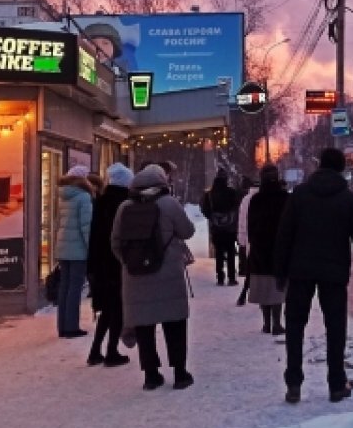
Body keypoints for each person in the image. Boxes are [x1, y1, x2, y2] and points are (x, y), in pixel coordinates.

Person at [275, 147, 353, 404]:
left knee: (295, 326)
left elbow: (284, 236)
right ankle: (336, 384)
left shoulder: (299, 195)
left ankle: (294, 384)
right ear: (341, 168)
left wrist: (280, 271)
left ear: (319, 166)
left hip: (300, 271)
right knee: (336, 328)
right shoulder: (349, 200)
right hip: (334, 272)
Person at [112, 163, 196, 390]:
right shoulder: (169, 204)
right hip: (168, 275)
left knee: (144, 325)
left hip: (136, 276)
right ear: (162, 181)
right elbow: (188, 231)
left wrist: (131, 262)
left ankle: (151, 375)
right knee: (175, 323)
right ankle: (180, 373)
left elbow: (116, 243)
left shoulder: (125, 207)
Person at [86, 163, 133, 367]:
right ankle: (112, 350)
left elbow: (94, 235)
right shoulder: (124, 203)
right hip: (116, 263)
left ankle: (95, 350)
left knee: (106, 308)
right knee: (117, 308)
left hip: (99, 263)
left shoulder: (101, 201)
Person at [247, 165, 289, 335]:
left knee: (263, 286)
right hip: (280, 248)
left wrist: (252, 244)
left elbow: (250, 226)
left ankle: (266, 323)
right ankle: (277, 323)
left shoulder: (256, 199)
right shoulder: (285, 198)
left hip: (260, 249)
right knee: (278, 287)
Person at [55, 165, 94, 338]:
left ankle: (62, 326)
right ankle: (71, 326)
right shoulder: (84, 197)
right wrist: (91, 248)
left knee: (64, 287)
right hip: (78, 250)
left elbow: (58, 223)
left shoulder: (63, 196)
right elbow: (86, 226)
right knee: (75, 288)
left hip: (63, 248)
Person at [201, 169, 240, 286]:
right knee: (231, 252)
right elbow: (236, 207)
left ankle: (220, 277)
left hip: (216, 229)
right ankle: (232, 277)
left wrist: (213, 218)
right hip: (230, 228)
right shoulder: (232, 192)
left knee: (218, 252)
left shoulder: (210, 194)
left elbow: (205, 209)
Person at [234, 176, 257, 306]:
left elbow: (242, 221)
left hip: (251, 239)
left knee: (251, 266)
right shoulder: (266, 198)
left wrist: (242, 240)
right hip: (269, 240)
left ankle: (244, 294)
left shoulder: (246, 199)